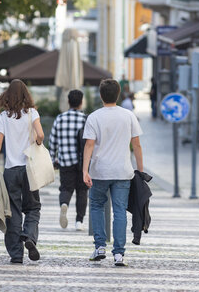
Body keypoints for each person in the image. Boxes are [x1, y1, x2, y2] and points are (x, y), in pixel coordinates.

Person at [82, 79, 143, 267]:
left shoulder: (94, 117)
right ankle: (119, 254)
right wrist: (140, 171)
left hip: (100, 171)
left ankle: (100, 246)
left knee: (97, 206)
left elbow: (89, 144)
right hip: (122, 171)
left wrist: (85, 170)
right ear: (118, 95)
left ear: (101, 95)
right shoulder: (128, 116)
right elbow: (137, 145)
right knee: (119, 211)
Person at [0, 79, 45, 264]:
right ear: (26, 95)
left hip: (11, 170)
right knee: (33, 207)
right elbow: (41, 135)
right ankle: (28, 236)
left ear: (7, 96)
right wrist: (37, 142)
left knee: (12, 211)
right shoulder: (32, 113)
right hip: (29, 168)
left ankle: (16, 254)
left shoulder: (3, 117)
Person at [49, 89, 87, 231]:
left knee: (65, 188)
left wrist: (52, 159)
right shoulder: (85, 119)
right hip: (82, 162)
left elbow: (52, 141)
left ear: (68, 102)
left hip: (65, 161)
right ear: (81, 102)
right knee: (82, 191)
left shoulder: (60, 118)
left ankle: (64, 203)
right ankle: (79, 221)